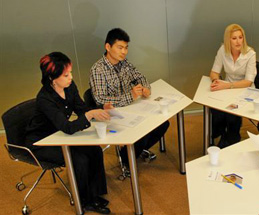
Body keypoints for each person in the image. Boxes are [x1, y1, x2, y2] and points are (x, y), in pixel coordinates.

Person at [25, 52, 112, 214]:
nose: (71, 77)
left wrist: (97, 111)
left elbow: (81, 109)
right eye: (66, 75)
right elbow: (67, 127)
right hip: (41, 142)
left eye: (70, 73)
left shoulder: (69, 87)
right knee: (78, 159)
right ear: (52, 77)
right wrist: (88, 115)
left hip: (59, 135)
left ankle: (95, 194)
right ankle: (84, 201)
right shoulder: (45, 98)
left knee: (94, 150)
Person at [89, 28, 169, 166]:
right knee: (141, 131)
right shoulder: (98, 69)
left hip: (132, 108)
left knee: (162, 124)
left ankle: (133, 151)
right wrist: (130, 96)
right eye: (120, 48)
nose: (124, 52)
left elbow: (140, 77)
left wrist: (146, 89)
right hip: (112, 114)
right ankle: (127, 159)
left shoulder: (124, 63)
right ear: (108, 47)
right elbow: (100, 100)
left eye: (126, 48)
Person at [209, 24, 256, 148]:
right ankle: (221, 134)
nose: (238, 41)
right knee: (216, 109)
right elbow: (214, 72)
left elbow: (248, 81)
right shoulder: (223, 50)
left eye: (240, 37)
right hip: (227, 88)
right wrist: (215, 80)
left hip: (245, 90)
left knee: (232, 114)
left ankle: (232, 139)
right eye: (234, 38)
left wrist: (226, 86)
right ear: (228, 40)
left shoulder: (250, 53)